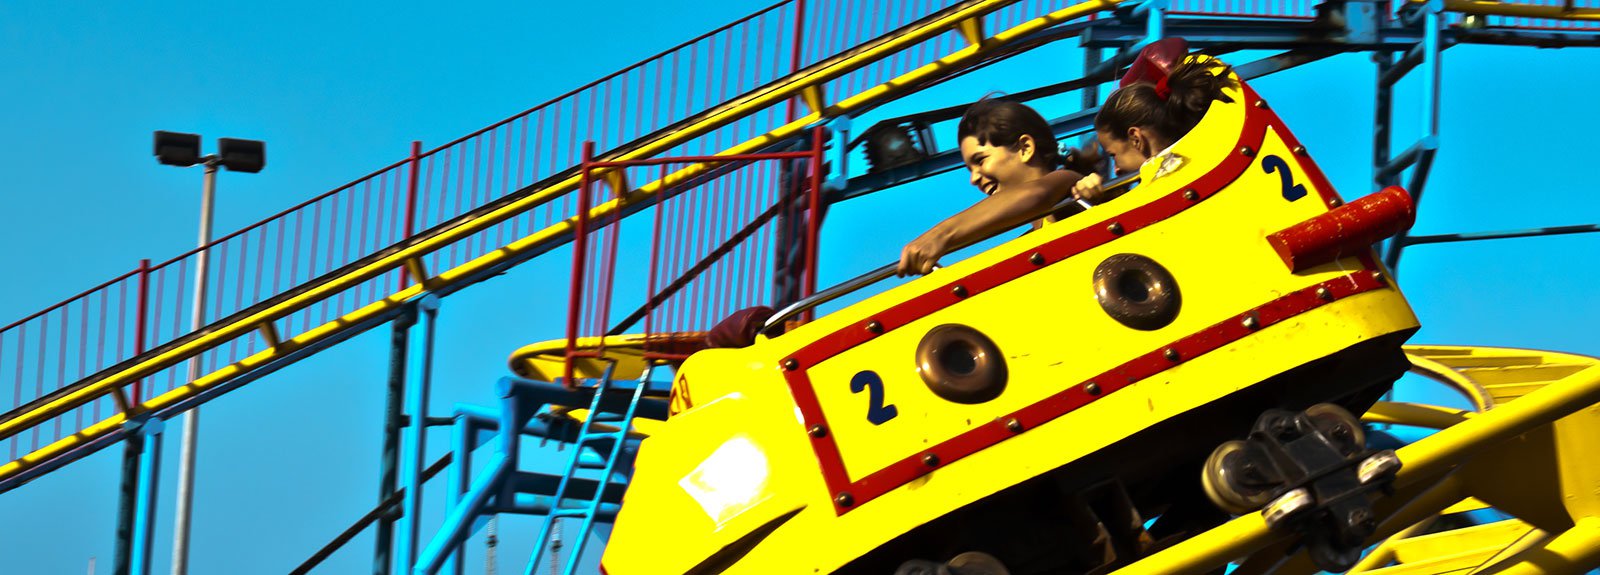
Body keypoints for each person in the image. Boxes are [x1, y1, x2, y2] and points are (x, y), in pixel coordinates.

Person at [896, 99, 1100, 276]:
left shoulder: (1069, 184)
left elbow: (1037, 194)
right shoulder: (1027, 245)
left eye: (980, 160)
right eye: (969, 169)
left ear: (1025, 148)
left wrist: (942, 235)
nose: (973, 178)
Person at [1073, 46, 1237, 200]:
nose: (1115, 169)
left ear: (1136, 138)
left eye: (1113, 155)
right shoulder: (1208, 165)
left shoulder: (1164, 191)